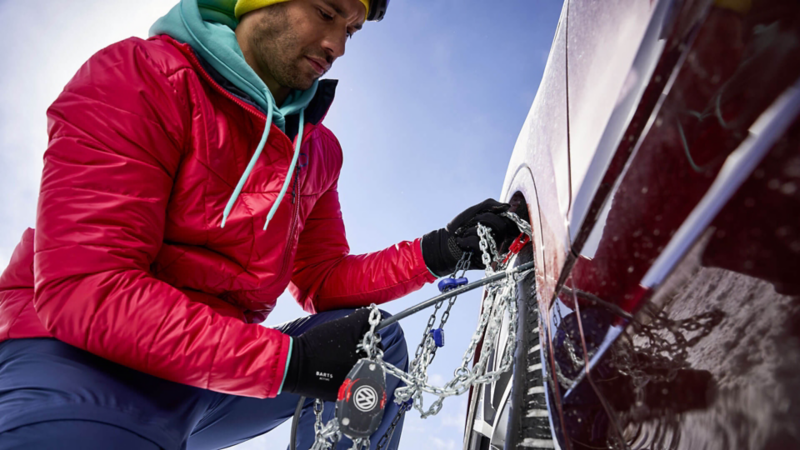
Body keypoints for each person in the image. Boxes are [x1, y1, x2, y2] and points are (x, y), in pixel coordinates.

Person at [0, 0, 519, 448]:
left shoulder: (315, 149)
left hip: (208, 379)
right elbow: (86, 287)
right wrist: (289, 363)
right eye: (325, 12)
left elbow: (321, 278)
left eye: (352, 29)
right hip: (75, 360)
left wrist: (439, 252)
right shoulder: (139, 75)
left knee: (374, 345)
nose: (338, 44)